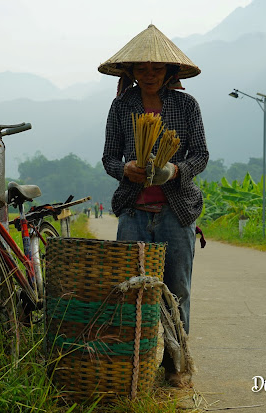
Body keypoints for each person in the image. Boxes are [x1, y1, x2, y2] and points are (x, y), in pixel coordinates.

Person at [99, 24, 209, 387]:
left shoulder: (186, 105)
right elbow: (109, 158)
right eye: (142, 68)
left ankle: (176, 364)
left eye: (157, 69)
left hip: (176, 213)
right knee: (131, 290)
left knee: (177, 290)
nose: (149, 74)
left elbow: (201, 155)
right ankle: (133, 364)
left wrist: (176, 169)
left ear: (169, 73)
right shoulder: (122, 107)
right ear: (130, 72)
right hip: (133, 210)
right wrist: (125, 169)